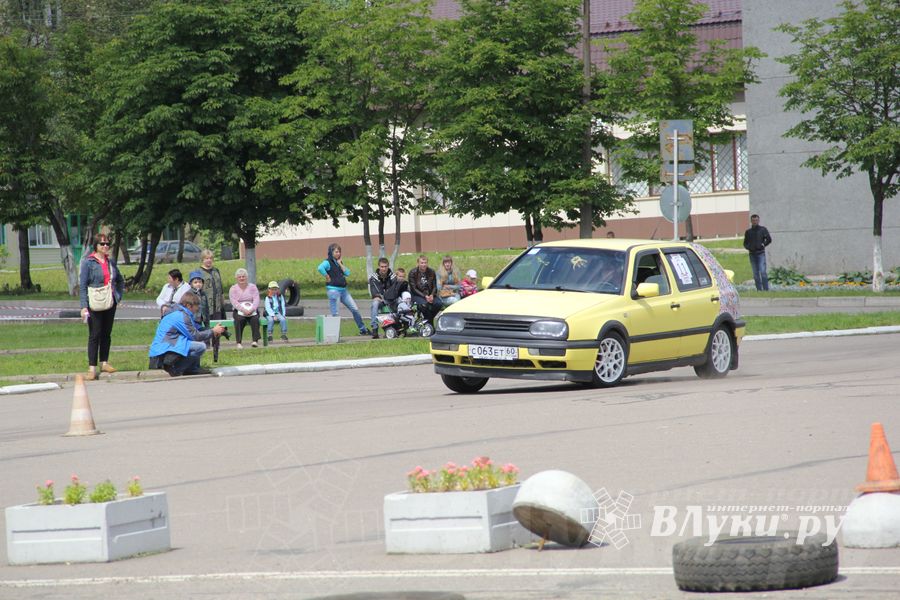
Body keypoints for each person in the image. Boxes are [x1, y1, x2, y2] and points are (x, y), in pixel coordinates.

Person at [79, 232, 125, 381]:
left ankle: (104, 362)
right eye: (102, 244)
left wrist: (118, 296)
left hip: (109, 301)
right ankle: (92, 368)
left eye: (107, 244)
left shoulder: (110, 262)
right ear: (96, 246)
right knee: (95, 334)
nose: (105, 246)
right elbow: (83, 286)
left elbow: (120, 280)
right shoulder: (88, 262)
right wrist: (84, 306)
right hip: (95, 302)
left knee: (107, 333)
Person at [149, 293, 225, 377]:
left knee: (195, 344)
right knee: (201, 347)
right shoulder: (181, 316)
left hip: (167, 346)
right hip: (164, 348)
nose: (198, 308)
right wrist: (212, 331)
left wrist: (214, 330)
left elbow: (197, 329)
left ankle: (192, 369)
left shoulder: (181, 313)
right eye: (197, 306)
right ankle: (178, 370)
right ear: (189, 305)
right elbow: (195, 336)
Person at [317, 243, 370, 336]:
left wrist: (340, 264)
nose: (338, 254)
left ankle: (363, 329)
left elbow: (347, 273)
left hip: (343, 291)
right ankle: (336, 334)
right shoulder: (328, 262)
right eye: (336, 252)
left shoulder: (339, 262)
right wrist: (327, 276)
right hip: (333, 291)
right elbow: (320, 268)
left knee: (355, 309)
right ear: (331, 252)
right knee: (335, 313)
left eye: (339, 252)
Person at [229, 268, 261, 348]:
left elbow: (256, 299)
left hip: (252, 310)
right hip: (239, 310)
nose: (242, 278)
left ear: (247, 277)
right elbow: (234, 302)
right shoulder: (233, 289)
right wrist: (243, 310)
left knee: (255, 319)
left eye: (243, 276)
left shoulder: (253, 287)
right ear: (236, 278)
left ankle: (255, 341)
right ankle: (238, 342)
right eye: (239, 277)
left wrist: (252, 309)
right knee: (239, 320)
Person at [743, 213, 772, 291]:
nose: (755, 222)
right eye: (753, 220)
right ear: (751, 221)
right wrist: (749, 247)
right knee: (755, 274)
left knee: (763, 272)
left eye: (756, 220)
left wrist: (763, 245)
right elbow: (745, 243)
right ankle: (759, 289)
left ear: (758, 220)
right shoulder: (748, 232)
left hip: (760, 253)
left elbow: (769, 239)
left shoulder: (763, 229)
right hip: (752, 254)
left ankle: (766, 289)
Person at [409, 255, 441, 324]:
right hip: (418, 295)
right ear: (418, 263)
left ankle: (428, 320)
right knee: (424, 305)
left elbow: (434, 286)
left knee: (438, 303)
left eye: (425, 263)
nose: (424, 264)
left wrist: (432, 295)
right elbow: (413, 289)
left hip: (430, 294)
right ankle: (429, 323)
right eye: (422, 263)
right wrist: (424, 296)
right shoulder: (413, 272)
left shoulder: (431, 272)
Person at [368, 257, 395, 339]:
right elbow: (374, 291)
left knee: (399, 301)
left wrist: (389, 296)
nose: (384, 269)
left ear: (388, 266)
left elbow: (394, 289)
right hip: (379, 299)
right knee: (375, 304)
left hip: (390, 299)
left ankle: (396, 328)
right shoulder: (374, 277)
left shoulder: (392, 276)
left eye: (385, 266)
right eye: (382, 267)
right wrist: (376, 296)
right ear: (379, 267)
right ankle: (374, 329)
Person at [199, 249, 225, 319]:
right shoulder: (199, 272)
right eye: (206, 258)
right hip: (206, 305)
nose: (209, 260)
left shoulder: (216, 271)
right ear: (202, 259)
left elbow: (220, 286)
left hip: (218, 304)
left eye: (210, 258)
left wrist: (222, 299)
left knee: (220, 326)